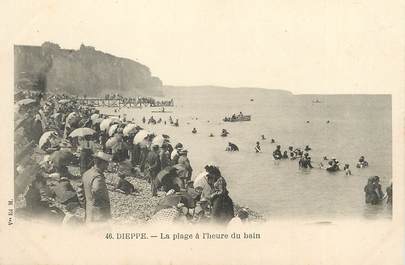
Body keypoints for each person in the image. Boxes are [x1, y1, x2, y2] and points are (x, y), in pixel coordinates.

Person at [81, 151, 112, 223]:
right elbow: (96, 189)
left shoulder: (87, 173)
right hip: (99, 214)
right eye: (106, 163)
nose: (107, 166)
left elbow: (80, 191)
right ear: (101, 163)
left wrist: (86, 204)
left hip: (89, 211)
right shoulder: (98, 177)